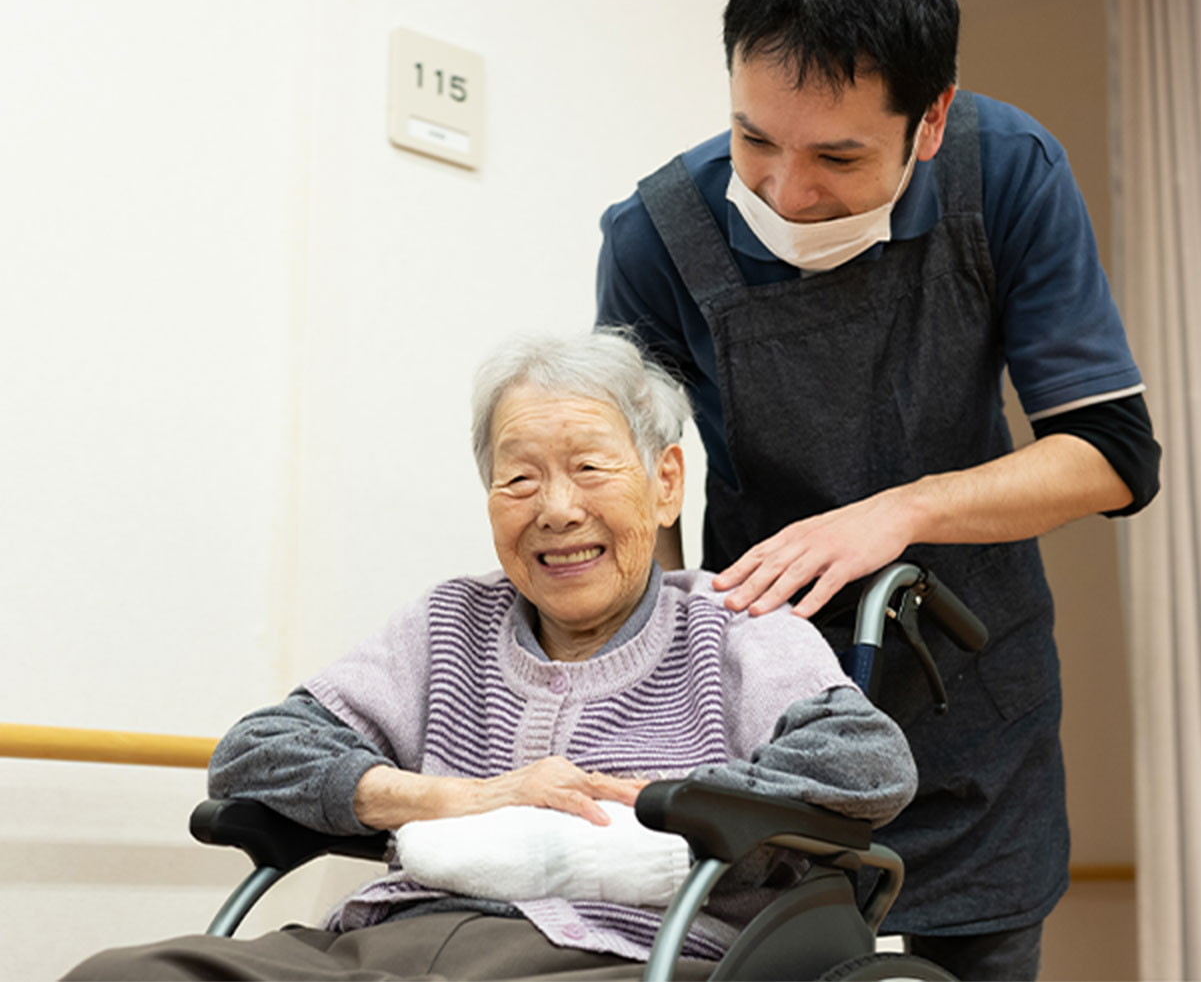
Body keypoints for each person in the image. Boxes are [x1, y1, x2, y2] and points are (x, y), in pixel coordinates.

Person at [595, 0, 1162, 978]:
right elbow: (646, 506)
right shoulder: (656, 238)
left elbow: (1112, 451)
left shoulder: (1008, 175)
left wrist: (896, 510)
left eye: (839, 156)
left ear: (932, 120)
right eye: (753, 138)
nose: (783, 189)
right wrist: (650, 696)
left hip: (973, 707)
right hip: (773, 707)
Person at [65, 329, 917, 981]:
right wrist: (450, 798)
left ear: (665, 483)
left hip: (621, 956)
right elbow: (256, 753)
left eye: (589, 468)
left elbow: (864, 760)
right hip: (388, 943)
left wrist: (670, 803)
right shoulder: (451, 622)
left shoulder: (731, 625)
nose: (554, 509)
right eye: (518, 479)